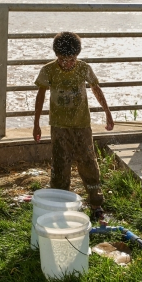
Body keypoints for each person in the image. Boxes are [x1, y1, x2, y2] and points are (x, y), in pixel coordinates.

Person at [33, 31, 114, 221]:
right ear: (56, 56)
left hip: (82, 125)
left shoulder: (84, 68)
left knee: (88, 162)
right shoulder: (49, 70)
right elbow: (40, 96)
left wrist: (107, 112)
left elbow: (96, 88)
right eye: (62, 59)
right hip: (59, 127)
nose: (66, 64)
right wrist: (36, 124)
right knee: (60, 164)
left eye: (71, 60)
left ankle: (96, 203)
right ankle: (59, 204)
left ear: (77, 56)